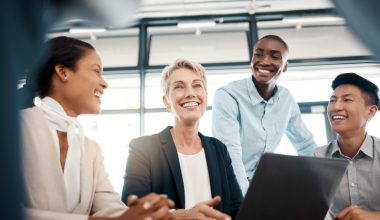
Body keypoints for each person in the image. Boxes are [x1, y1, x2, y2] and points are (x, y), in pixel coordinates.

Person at [20, 36, 174, 220]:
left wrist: (154, 212)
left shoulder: (91, 149)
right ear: (63, 71)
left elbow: (113, 211)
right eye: (96, 71)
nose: (104, 83)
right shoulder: (15, 128)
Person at [122, 58, 242, 219]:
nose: (190, 93)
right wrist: (181, 216)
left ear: (205, 97)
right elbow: (132, 211)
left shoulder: (219, 150)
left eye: (197, 85)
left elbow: (237, 209)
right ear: (166, 101)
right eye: (179, 87)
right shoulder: (144, 148)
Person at [212, 34, 317, 194]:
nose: (265, 61)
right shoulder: (228, 95)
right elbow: (230, 152)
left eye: (275, 57)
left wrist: (324, 182)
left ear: (285, 66)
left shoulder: (286, 99)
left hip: (261, 185)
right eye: (258, 54)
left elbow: (305, 145)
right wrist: (244, 199)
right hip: (228, 184)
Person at [314, 73, 380, 220]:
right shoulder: (317, 158)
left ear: (371, 111)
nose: (336, 107)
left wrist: (374, 216)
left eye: (347, 100)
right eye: (332, 100)